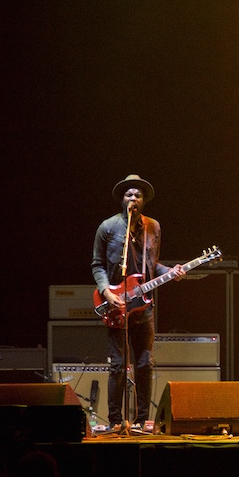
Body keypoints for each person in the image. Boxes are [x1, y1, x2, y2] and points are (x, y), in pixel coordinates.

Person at [91, 174, 184, 432]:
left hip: (144, 307)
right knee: (119, 366)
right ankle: (115, 421)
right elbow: (97, 264)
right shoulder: (107, 227)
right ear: (122, 200)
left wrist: (171, 272)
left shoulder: (153, 227)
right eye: (129, 195)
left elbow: (153, 266)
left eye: (138, 195)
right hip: (116, 304)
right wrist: (106, 291)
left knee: (145, 363)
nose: (133, 198)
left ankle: (143, 419)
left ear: (143, 201)